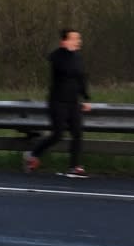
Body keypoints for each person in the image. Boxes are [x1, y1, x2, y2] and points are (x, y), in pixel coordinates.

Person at [23, 28, 91, 177]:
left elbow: (81, 78)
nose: (78, 41)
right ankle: (33, 154)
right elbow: (66, 69)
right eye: (74, 39)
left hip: (73, 102)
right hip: (57, 102)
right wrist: (68, 52)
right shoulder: (57, 57)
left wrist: (85, 98)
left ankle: (75, 166)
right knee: (58, 134)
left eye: (78, 39)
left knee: (77, 133)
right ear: (64, 41)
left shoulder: (78, 58)